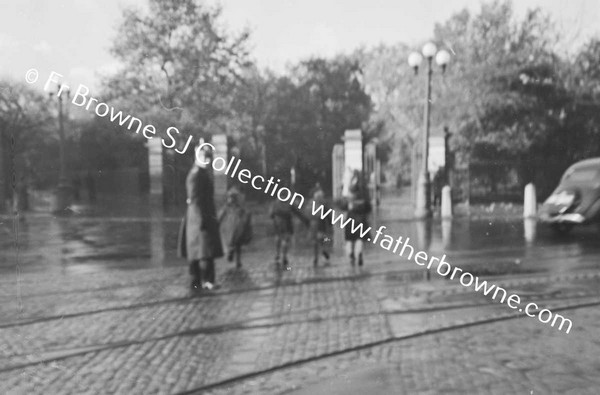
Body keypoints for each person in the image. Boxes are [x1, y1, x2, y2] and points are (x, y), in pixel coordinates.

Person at [177, 143, 224, 291]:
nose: (208, 160)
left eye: (209, 157)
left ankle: (198, 281)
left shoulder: (201, 172)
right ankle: (206, 281)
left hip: (203, 216)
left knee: (200, 251)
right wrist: (201, 220)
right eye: (204, 157)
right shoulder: (196, 174)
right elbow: (194, 199)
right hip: (199, 218)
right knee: (204, 251)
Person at [339, 170, 371, 266]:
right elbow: (368, 206)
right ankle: (360, 253)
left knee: (351, 238)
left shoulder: (349, 191)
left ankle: (352, 253)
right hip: (361, 217)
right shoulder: (364, 190)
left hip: (351, 216)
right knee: (360, 238)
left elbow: (343, 205)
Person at [218, 187, 252, 269]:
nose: (232, 199)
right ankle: (233, 254)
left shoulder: (236, 207)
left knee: (236, 243)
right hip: (232, 225)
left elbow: (221, 215)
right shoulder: (229, 207)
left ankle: (237, 259)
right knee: (234, 242)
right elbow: (221, 214)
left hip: (234, 225)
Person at [269, 196, 307, 269]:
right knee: (285, 240)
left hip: (277, 223)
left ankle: (277, 253)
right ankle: (284, 257)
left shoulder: (274, 204)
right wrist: (305, 220)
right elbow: (298, 213)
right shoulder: (289, 204)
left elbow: (270, 215)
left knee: (278, 237)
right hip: (287, 223)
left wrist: (274, 217)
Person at [308, 186, 333, 267]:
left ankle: (316, 256)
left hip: (313, 223)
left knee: (315, 241)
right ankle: (323, 249)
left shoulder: (310, 203)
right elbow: (328, 215)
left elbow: (306, 213)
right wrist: (330, 224)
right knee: (323, 239)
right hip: (320, 223)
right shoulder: (323, 204)